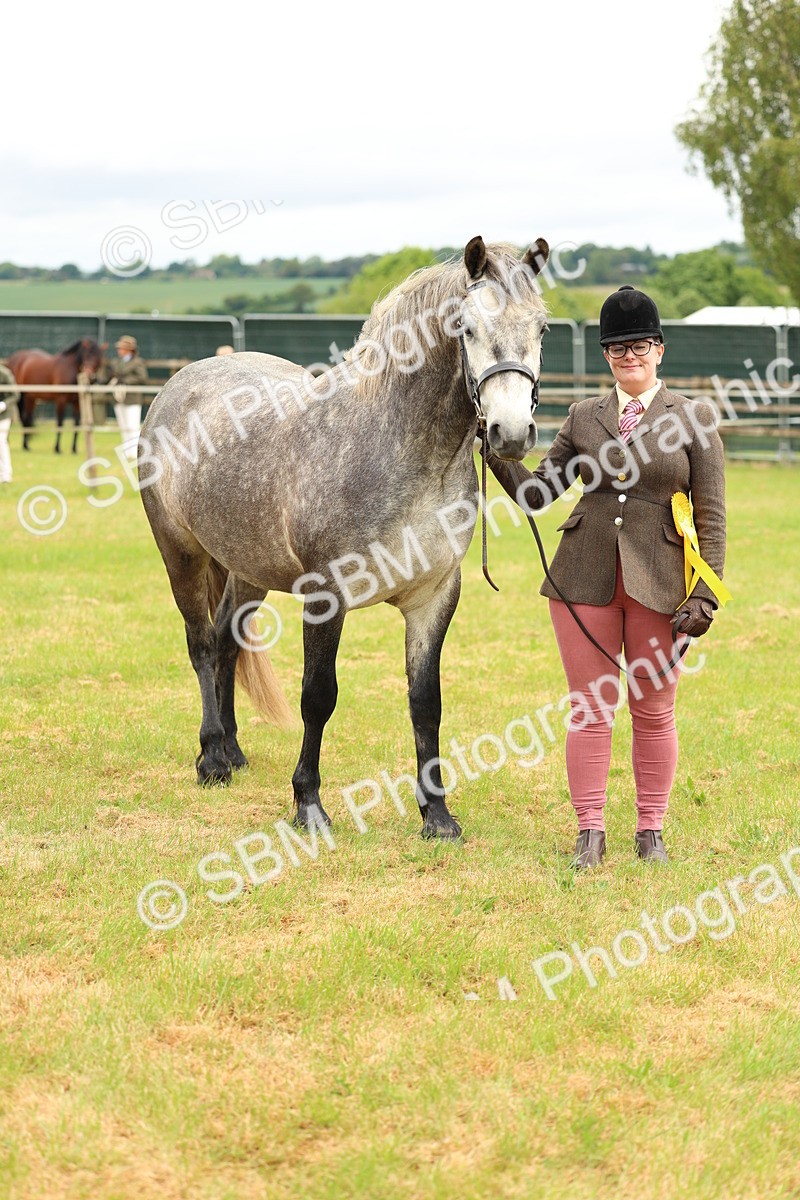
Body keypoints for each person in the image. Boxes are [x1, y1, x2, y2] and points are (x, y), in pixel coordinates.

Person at [490, 285, 727, 869]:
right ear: (606, 355)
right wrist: (496, 451)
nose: (630, 356)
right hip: (583, 578)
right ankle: (589, 831)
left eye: (641, 345)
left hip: (663, 585)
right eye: (619, 348)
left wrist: (706, 592)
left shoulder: (693, 419)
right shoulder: (582, 417)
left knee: (653, 708)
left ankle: (650, 830)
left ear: (660, 350)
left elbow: (712, 514)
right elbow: (542, 492)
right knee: (590, 709)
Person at [95, 335, 150, 460]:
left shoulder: (137, 362)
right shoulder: (116, 362)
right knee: (123, 425)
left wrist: (125, 380)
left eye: (122, 348)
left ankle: (135, 452)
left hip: (132, 398)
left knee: (133, 426)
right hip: (118, 397)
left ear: (129, 350)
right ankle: (127, 451)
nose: (119, 350)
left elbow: (142, 377)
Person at [0, 361, 19, 483]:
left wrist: (4, 405)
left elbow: (15, 394)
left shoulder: (5, 374)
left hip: (4, 415)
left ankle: (6, 474)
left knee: (1, 441)